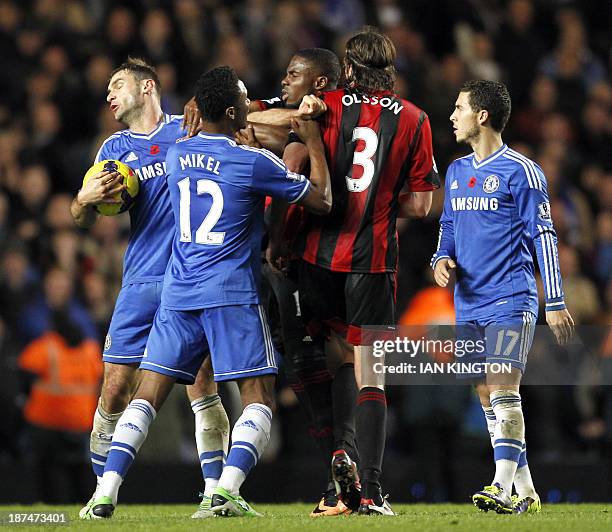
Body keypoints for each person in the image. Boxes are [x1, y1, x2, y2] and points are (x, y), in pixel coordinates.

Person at [88, 65, 332, 519]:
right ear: (234, 111)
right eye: (243, 100)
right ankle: (227, 489)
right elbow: (322, 199)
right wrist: (312, 139)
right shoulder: (253, 161)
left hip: (178, 293)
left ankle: (105, 491)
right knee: (256, 396)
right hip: (231, 292)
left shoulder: (178, 152)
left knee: (146, 396)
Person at [270, 27, 440, 515]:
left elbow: (293, 159)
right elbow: (424, 202)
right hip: (374, 259)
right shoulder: (414, 119)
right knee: (371, 375)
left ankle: (334, 468)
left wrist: (280, 240)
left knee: (319, 356)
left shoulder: (325, 104)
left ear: (346, 70)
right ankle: (369, 491)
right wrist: (380, 203)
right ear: (390, 70)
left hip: (317, 254)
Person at [70, 58, 230, 519]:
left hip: (189, 277)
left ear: (148, 88)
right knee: (114, 389)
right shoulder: (114, 148)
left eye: (117, 85)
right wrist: (84, 199)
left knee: (202, 383)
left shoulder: (190, 131)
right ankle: (101, 490)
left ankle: (215, 491)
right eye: (107, 89)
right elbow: (80, 217)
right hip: (140, 282)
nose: (109, 95)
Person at [431, 79, 575, 514]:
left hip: (511, 299)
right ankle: (526, 491)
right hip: (469, 301)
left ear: (482, 116)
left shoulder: (523, 172)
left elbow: (544, 235)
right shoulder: (456, 171)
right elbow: (450, 227)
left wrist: (555, 300)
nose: (452, 116)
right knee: (485, 394)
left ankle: (499, 485)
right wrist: (440, 258)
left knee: (503, 387)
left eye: (459, 108)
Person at [246, 48, 361, 517]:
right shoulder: (311, 112)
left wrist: (247, 116)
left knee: (330, 358)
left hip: (317, 254)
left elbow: (264, 127)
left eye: (294, 74)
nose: (284, 79)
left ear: (320, 84)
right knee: (312, 364)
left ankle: (347, 459)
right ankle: (340, 468)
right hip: (302, 256)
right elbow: (260, 117)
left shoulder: (330, 114)